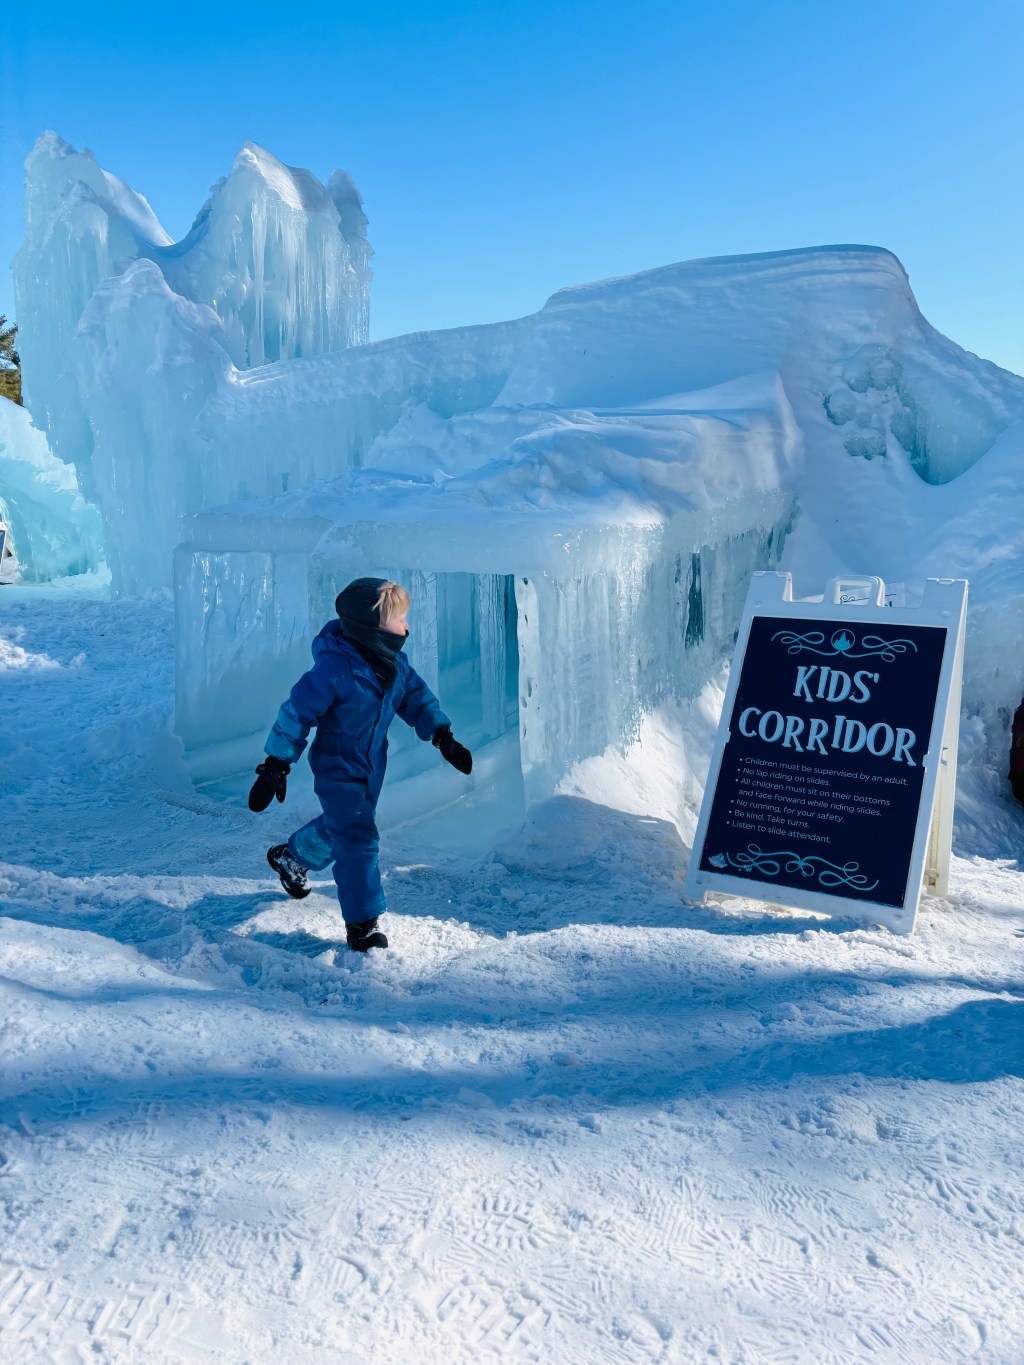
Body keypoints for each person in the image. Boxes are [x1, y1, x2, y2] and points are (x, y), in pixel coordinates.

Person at [248, 578, 472, 951]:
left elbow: (416, 699)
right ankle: (363, 923)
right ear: (371, 627)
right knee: (358, 838)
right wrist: (276, 763)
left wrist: (442, 736)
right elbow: (296, 712)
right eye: (398, 618)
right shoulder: (334, 670)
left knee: (344, 827)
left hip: (371, 766)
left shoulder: (394, 665)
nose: (406, 626)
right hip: (338, 767)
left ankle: (292, 856)